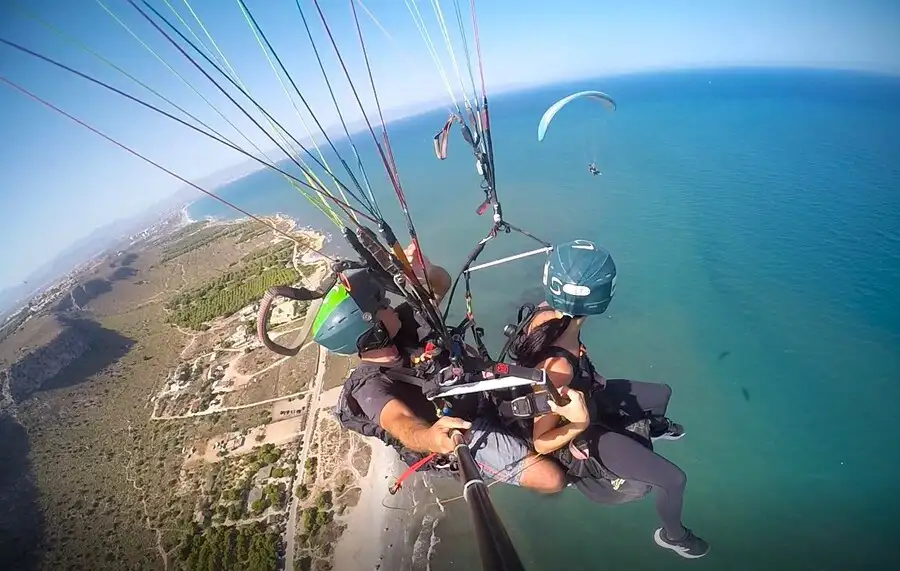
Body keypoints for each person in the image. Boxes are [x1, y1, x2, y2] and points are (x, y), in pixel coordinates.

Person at [508, 239, 710, 559]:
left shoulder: (550, 315)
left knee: (661, 394)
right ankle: (674, 536)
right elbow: (540, 441)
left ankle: (649, 427)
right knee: (674, 480)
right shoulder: (557, 366)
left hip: (586, 396)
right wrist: (580, 423)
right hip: (576, 433)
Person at [312, 243, 566, 494]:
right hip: (458, 431)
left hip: (477, 389)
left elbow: (440, 285)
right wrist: (430, 437)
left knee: (551, 332)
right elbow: (399, 422)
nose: (390, 304)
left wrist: (425, 272)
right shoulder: (369, 387)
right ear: (373, 331)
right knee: (551, 478)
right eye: (382, 306)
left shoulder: (405, 325)